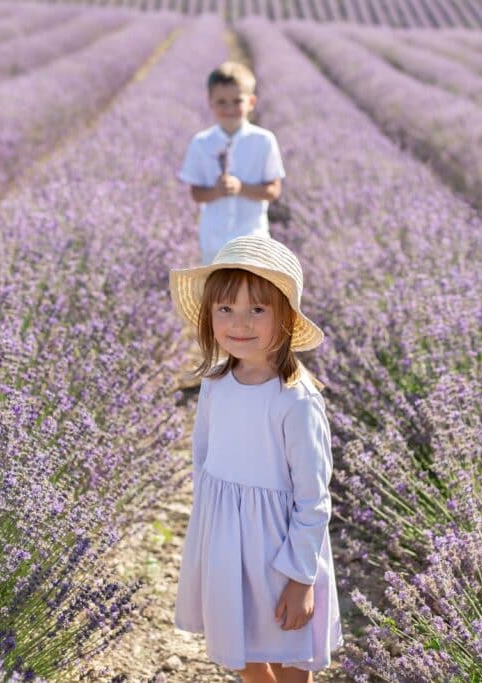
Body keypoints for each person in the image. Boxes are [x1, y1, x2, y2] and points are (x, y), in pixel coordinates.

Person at [170, 235, 342, 682]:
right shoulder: (215, 383)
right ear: (209, 316)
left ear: (286, 317)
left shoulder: (295, 400)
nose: (239, 323)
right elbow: (204, 457)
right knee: (238, 645)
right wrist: (209, 535)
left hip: (279, 549)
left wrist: (301, 577)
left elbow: (313, 497)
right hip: (227, 540)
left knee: (288, 649)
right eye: (225, 309)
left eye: (257, 310)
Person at [179, 62, 285, 265]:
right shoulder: (201, 142)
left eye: (237, 101)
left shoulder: (263, 141)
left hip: (253, 242)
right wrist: (217, 192)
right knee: (219, 296)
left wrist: (240, 187)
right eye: (221, 102)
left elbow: (273, 190)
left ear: (251, 102)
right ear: (210, 102)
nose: (229, 108)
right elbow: (196, 193)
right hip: (214, 242)